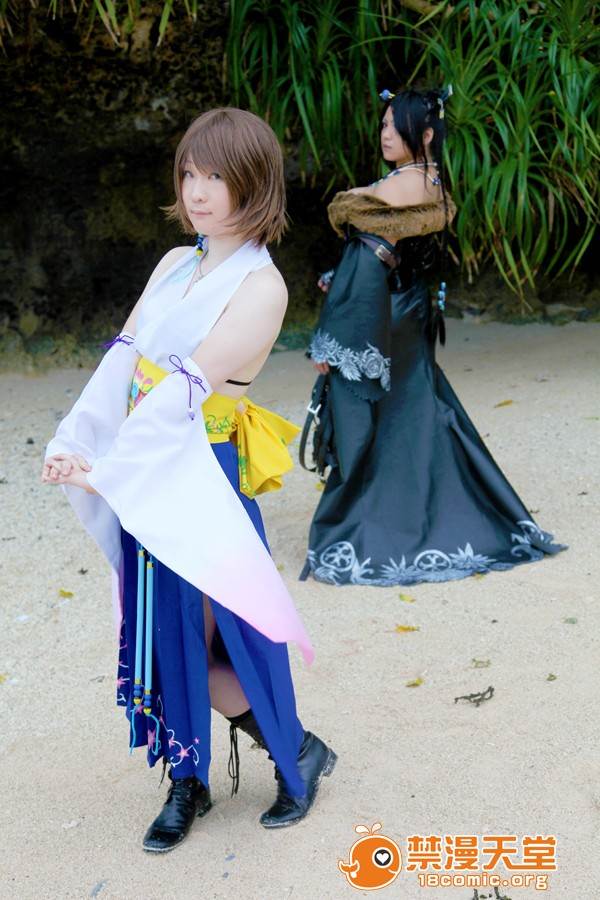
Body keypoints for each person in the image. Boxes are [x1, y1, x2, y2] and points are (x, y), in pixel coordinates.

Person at [42, 108, 336, 853]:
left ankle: (291, 752)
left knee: (214, 631)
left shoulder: (262, 286)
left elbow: (183, 390)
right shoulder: (175, 261)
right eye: (190, 173)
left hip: (197, 471)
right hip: (145, 466)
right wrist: (75, 440)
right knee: (163, 633)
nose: (198, 191)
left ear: (254, 184)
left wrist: (108, 473)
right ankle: (191, 777)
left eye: (217, 177)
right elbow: (124, 360)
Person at [300, 87, 565, 586]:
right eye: (382, 124)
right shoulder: (430, 178)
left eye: (393, 126)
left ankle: (381, 521)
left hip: (383, 311)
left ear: (424, 134)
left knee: (375, 409)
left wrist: (333, 336)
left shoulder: (401, 185)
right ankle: (456, 510)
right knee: (414, 407)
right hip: (410, 306)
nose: (384, 134)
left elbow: (370, 259)